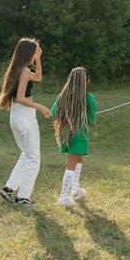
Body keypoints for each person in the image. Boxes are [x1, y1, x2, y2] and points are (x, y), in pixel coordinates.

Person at [0, 37, 52, 206]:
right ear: (28, 52)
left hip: (16, 116)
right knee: (34, 158)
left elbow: (39, 77)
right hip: (25, 117)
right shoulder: (24, 71)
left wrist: (39, 59)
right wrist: (41, 108)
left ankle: (9, 189)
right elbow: (21, 98)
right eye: (35, 51)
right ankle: (23, 197)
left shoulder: (17, 69)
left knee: (26, 154)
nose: (36, 54)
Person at [51, 67, 97, 208]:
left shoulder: (62, 96)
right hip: (79, 134)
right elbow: (90, 119)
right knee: (71, 163)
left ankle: (75, 190)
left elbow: (54, 113)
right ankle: (63, 197)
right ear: (85, 81)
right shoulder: (89, 98)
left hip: (68, 133)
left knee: (78, 159)